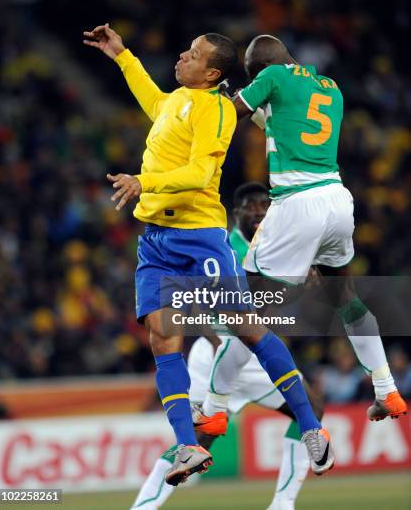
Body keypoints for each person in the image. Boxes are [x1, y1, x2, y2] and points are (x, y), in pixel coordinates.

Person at [83, 25, 334, 484]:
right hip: (156, 238)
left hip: (199, 235)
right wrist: (122, 56)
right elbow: (153, 101)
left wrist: (145, 182)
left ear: (211, 71)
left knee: (248, 328)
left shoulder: (216, 109)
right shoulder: (177, 100)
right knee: (162, 339)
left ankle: (313, 427)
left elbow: (200, 174)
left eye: (192, 54)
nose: (181, 56)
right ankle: (187, 446)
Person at [202, 34, 407, 426]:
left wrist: (214, 100)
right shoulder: (330, 88)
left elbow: (230, 115)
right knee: (347, 299)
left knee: (242, 314)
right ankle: (387, 390)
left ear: (258, 69)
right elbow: (283, 123)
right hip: (336, 199)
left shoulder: (271, 75)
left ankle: (211, 410)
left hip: (296, 201)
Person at [131, 182, 321, 510]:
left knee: (312, 408)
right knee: (200, 438)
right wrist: (217, 338)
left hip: (250, 357)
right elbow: (193, 301)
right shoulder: (224, 245)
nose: (261, 211)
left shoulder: (276, 248)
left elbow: (266, 303)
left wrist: (299, 285)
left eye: (265, 204)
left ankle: (282, 504)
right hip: (217, 353)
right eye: (253, 206)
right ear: (238, 214)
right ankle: (143, 506)